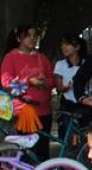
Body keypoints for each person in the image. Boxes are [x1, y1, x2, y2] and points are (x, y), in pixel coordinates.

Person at [3, 25, 55, 160]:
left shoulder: (41, 57)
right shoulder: (11, 57)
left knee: (43, 148)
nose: (32, 38)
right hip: (24, 111)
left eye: (34, 35)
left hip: (44, 110)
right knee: (27, 152)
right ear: (19, 38)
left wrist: (45, 83)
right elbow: (6, 82)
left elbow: (52, 80)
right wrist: (29, 81)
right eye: (28, 35)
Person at [53, 33, 87, 144]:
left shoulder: (86, 64)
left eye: (67, 44)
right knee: (68, 137)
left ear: (77, 47)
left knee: (86, 137)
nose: (63, 47)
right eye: (62, 44)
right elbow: (59, 87)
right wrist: (66, 87)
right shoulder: (60, 64)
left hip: (85, 103)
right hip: (68, 104)